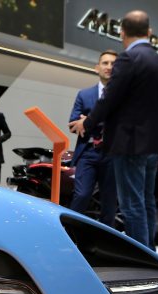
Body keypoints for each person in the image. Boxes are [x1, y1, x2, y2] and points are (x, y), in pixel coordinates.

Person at [69, 10, 158, 250]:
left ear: (122, 33)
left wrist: (87, 122)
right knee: (147, 202)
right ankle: (151, 252)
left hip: (129, 144)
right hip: (154, 145)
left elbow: (109, 99)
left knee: (131, 205)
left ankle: (142, 261)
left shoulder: (128, 59)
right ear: (149, 33)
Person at [68, 49, 118, 227]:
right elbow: (73, 124)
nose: (109, 67)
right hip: (87, 152)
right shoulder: (84, 95)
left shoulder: (123, 97)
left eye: (113, 64)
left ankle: (105, 243)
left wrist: (88, 121)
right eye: (105, 63)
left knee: (109, 203)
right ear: (97, 68)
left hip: (113, 154)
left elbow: (121, 125)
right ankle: (70, 233)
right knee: (81, 195)